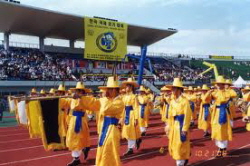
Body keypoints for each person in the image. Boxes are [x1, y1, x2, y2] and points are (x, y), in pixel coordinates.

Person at [204, 76, 235, 158]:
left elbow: (234, 94)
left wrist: (228, 87)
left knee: (224, 130)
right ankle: (221, 148)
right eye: (217, 84)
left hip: (224, 112)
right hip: (216, 113)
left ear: (223, 84)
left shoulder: (227, 92)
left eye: (219, 84)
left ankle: (222, 149)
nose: (217, 85)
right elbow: (205, 99)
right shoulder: (214, 93)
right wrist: (209, 91)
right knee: (217, 130)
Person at [167, 78, 192, 166]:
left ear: (179, 89)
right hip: (174, 125)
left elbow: (188, 115)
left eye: (174, 88)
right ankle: (183, 159)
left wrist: (184, 128)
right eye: (172, 88)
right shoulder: (172, 101)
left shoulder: (185, 101)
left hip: (181, 125)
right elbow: (170, 115)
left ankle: (180, 162)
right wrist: (168, 126)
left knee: (180, 143)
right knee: (174, 144)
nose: (172, 90)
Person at [120, 77, 141, 156]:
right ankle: (136, 140)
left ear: (131, 87)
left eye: (128, 86)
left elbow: (136, 107)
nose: (126, 88)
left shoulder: (134, 97)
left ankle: (130, 148)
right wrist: (122, 117)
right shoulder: (124, 96)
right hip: (126, 114)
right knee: (126, 131)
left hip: (131, 114)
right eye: (126, 86)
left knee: (131, 131)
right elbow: (123, 107)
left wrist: (136, 118)